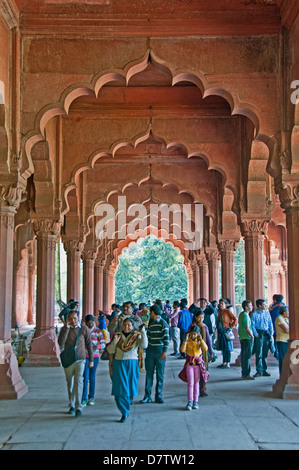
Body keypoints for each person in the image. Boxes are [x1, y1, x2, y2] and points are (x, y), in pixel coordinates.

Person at [106, 318, 148, 423]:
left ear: (133, 326)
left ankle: (127, 407)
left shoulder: (136, 336)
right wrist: (115, 341)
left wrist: (143, 332)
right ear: (122, 325)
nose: (127, 327)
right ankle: (124, 411)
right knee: (119, 390)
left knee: (130, 388)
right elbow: (110, 350)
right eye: (125, 325)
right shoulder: (117, 336)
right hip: (119, 364)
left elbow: (144, 345)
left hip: (132, 364)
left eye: (129, 325)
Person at [58, 310, 93, 417]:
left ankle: (78, 407)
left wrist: (91, 359)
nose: (73, 320)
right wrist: (66, 328)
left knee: (79, 382)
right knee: (70, 383)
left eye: (75, 318)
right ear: (67, 319)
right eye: (70, 318)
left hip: (80, 359)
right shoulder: (65, 329)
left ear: (78, 318)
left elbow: (89, 344)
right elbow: (60, 342)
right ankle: (72, 405)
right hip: (69, 360)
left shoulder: (83, 328)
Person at [140, 304, 169, 404]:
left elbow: (166, 339)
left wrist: (164, 352)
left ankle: (158, 396)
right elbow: (148, 337)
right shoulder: (151, 324)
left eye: (150, 312)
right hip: (150, 351)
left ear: (153, 312)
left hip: (160, 351)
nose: (149, 314)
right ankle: (147, 396)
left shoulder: (163, 323)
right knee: (149, 374)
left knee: (160, 375)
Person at [178, 325, 209, 410]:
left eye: (194, 334)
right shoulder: (187, 341)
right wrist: (185, 339)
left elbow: (205, 348)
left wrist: (201, 339)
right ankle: (190, 401)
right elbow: (182, 350)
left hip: (197, 365)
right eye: (191, 334)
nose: (193, 336)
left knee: (196, 383)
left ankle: (196, 401)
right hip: (189, 365)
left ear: (198, 334)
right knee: (190, 383)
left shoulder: (199, 341)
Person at [81, 315, 106, 407]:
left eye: (92, 322)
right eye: (89, 322)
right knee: (85, 377)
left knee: (92, 377)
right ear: (86, 323)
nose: (90, 324)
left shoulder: (98, 331)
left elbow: (103, 344)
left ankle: (91, 397)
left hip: (95, 357)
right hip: (85, 356)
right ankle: (83, 398)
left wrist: (97, 347)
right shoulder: (83, 331)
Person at [191, 309, 213, 396]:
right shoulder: (192, 327)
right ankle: (194, 388)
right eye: (199, 317)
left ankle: (203, 389)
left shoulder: (204, 327)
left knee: (203, 370)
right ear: (195, 317)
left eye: (202, 318)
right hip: (193, 352)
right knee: (194, 371)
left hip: (203, 352)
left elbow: (208, 341)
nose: (201, 319)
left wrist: (211, 353)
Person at [251, 299, 274, 377]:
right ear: (259, 305)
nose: (265, 305)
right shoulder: (254, 314)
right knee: (258, 353)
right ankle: (259, 370)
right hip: (259, 333)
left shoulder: (267, 313)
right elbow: (252, 326)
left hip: (266, 333)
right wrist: (256, 334)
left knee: (265, 353)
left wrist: (271, 332)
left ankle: (264, 370)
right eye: (264, 304)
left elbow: (270, 323)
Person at [216, 298, 238, 369]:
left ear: (225, 304)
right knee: (223, 348)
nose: (221, 305)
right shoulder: (219, 312)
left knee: (227, 348)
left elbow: (235, 319)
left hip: (226, 331)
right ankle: (224, 362)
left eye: (222, 303)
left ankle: (227, 363)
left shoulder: (227, 311)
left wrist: (230, 327)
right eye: (220, 303)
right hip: (220, 332)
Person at [238, 300, 255, 380]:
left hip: (242, 337)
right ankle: (246, 374)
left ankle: (244, 373)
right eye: (250, 305)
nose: (252, 307)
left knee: (244, 356)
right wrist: (251, 336)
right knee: (247, 356)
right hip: (246, 337)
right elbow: (247, 327)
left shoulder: (241, 314)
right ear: (246, 307)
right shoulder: (245, 315)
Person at [269, 294, 285, 360]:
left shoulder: (271, 307)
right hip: (282, 328)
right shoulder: (283, 307)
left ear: (274, 300)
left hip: (273, 327)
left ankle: (276, 353)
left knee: (275, 342)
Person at [275, 306, 289, 374]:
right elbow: (286, 330)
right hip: (282, 340)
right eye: (288, 311)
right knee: (283, 358)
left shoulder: (285, 319)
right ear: (284, 312)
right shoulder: (279, 318)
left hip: (287, 340)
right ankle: (282, 374)